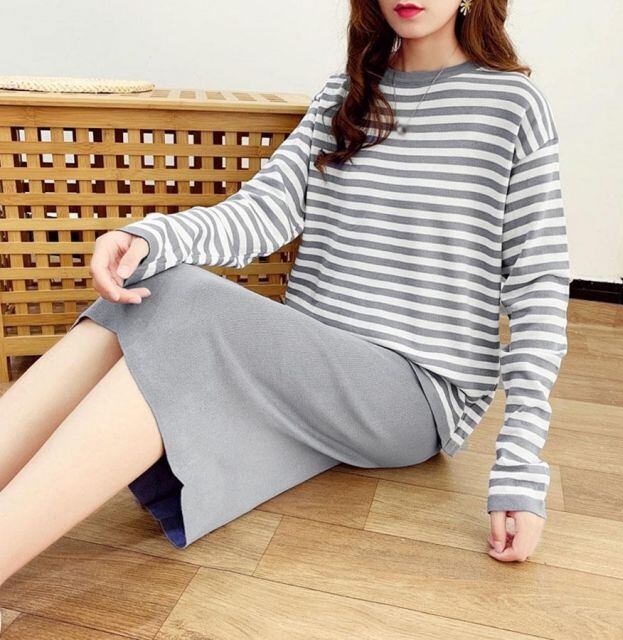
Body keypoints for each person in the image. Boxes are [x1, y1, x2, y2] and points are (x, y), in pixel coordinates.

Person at [0, 0, 569, 589]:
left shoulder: (511, 105)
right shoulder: (345, 95)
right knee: (154, 286)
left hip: (414, 392)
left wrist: (519, 468)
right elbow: (259, 212)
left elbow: (539, 287)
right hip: (312, 363)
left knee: (184, 299)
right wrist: (146, 238)